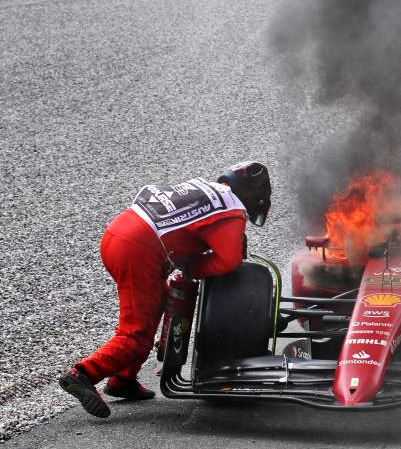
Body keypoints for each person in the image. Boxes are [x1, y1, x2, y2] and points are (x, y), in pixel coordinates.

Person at [58, 161, 272, 418]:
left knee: (156, 303)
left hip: (116, 234)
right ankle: (83, 374)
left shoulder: (203, 187)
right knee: (136, 335)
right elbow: (229, 260)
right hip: (138, 252)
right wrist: (194, 269)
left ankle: (123, 381)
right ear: (252, 194)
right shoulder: (231, 210)